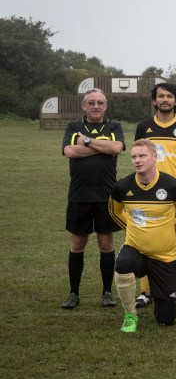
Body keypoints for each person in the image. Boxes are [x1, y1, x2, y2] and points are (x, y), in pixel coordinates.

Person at [108, 139, 176, 332]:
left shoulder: (173, 185)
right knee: (122, 264)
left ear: (154, 157)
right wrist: (130, 229)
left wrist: (170, 230)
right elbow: (114, 212)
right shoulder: (122, 187)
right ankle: (130, 314)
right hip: (136, 250)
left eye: (142, 156)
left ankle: (164, 296)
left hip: (165, 256)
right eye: (134, 157)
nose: (137, 160)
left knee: (167, 319)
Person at [133, 82, 176, 309]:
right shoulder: (144, 127)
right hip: (148, 193)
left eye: (169, 96)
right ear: (154, 101)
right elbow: (138, 156)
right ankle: (145, 291)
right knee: (145, 241)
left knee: (174, 243)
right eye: (161, 96)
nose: (165, 100)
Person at [61, 88, 125, 310]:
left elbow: (117, 147)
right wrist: (101, 147)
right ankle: (73, 293)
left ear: (106, 105)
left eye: (100, 102)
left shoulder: (114, 127)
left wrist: (86, 141)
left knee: (106, 244)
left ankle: (107, 292)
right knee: (78, 243)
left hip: (106, 196)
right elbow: (70, 151)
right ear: (84, 106)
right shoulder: (73, 127)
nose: (96, 106)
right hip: (79, 196)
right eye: (91, 102)